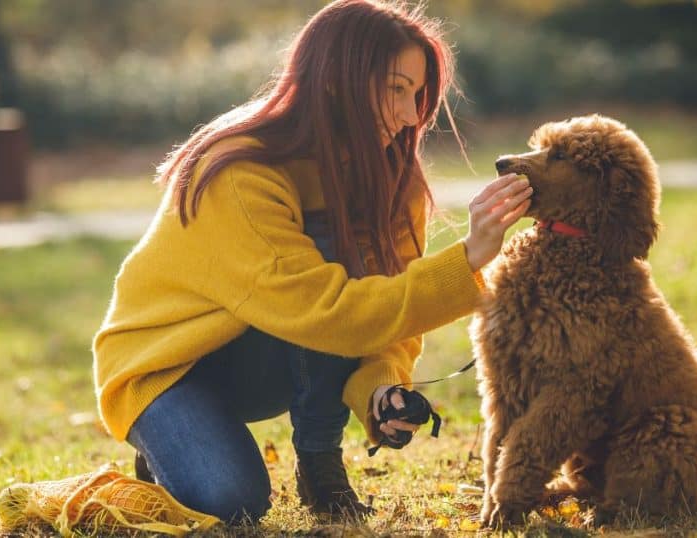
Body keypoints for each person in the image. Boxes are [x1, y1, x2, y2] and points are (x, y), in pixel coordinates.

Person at [92, 0, 532, 525]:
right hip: (166, 364)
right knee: (231, 501)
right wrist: (467, 260)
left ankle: (320, 462)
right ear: (333, 81)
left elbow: (384, 306)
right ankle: (163, 446)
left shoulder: (390, 173)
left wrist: (381, 388)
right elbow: (330, 312)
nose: (413, 114)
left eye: (418, 94)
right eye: (396, 88)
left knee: (336, 267)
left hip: (261, 351)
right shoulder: (243, 171)